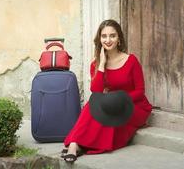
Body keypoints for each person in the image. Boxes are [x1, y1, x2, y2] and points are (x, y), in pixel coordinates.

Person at [61, 19, 152, 163]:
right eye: (104, 36)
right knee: (93, 103)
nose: (108, 40)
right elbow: (96, 91)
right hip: (109, 103)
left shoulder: (131, 60)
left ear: (119, 39)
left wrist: (118, 100)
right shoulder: (96, 64)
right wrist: (102, 64)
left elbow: (140, 91)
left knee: (107, 110)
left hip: (132, 105)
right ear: (99, 39)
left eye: (112, 36)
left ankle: (79, 144)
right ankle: (74, 145)